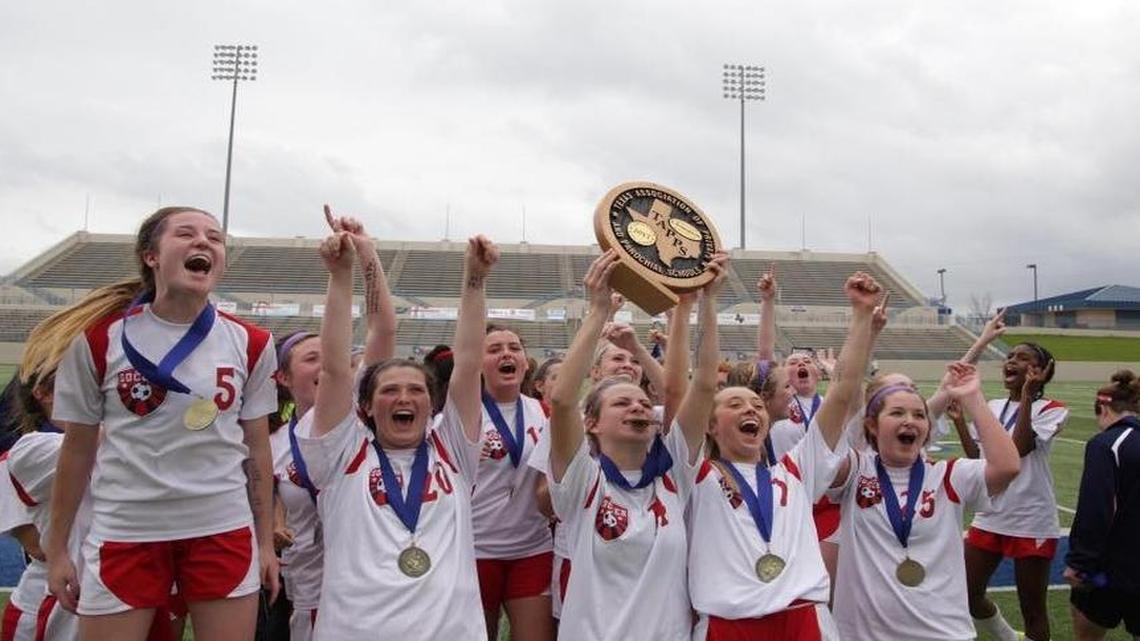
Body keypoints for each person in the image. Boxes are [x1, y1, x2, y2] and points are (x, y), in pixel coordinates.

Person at [46, 207, 279, 641]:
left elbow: (258, 448)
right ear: (151, 256)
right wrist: (57, 549)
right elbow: (77, 449)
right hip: (127, 530)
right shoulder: (98, 340)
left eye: (215, 237)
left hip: (221, 529)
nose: (204, 242)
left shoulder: (252, 343)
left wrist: (264, 542)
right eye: (186, 234)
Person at [299, 232, 494, 639]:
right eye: (389, 390)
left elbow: (469, 362)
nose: (404, 398)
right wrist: (340, 275)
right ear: (367, 406)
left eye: (416, 390)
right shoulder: (341, 454)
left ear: (432, 403)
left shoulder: (453, 450)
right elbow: (334, 369)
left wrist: (475, 278)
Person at [688, 272, 882, 640]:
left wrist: (861, 315)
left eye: (756, 405)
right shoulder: (694, 476)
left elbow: (842, 390)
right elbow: (700, 383)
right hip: (728, 625)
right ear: (709, 425)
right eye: (735, 404)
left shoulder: (796, 470)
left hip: (803, 619)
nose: (751, 409)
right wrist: (707, 301)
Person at [545, 249, 726, 641]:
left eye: (643, 402)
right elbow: (562, 400)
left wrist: (709, 302)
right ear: (592, 424)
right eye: (622, 403)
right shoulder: (582, 481)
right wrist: (598, 311)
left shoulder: (674, 472)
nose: (638, 406)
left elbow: (703, 385)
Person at [269, 209, 396, 641]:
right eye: (312, 358)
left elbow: (383, 328)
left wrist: (367, 254)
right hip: (309, 595)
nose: (328, 363)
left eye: (332, 353)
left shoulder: (362, 411)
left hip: (375, 586)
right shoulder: (271, 444)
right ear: (283, 377)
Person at [829, 360, 1021, 641]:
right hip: (864, 634)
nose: (910, 420)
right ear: (871, 424)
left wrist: (973, 398)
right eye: (897, 412)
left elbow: (1007, 467)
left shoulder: (949, 476)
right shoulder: (855, 470)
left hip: (943, 632)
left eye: (919, 415)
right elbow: (824, 446)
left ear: (927, 427)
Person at [958, 337, 1067, 641]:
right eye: (1010, 356)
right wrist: (959, 421)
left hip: (1030, 518)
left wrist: (1028, 397)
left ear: (1041, 370)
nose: (1011, 361)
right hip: (991, 513)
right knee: (967, 593)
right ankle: (1009, 637)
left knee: (1032, 609)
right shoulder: (993, 406)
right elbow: (978, 459)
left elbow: (1017, 450)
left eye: (1022, 358)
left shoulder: (1052, 409)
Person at [472, 324, 553, 640]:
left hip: (531, 549)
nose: (506, 354)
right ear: (477, 363)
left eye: (514, 348)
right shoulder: (460, 416)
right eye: (494, 349)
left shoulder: (544, 413)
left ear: (525, 362)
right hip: (474, 550)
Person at [1064, 370, 1140, 641]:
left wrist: (1079, 562)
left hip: (1109, 569)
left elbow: (1096, 508)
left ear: (1103, 408)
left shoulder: (1106, 444)